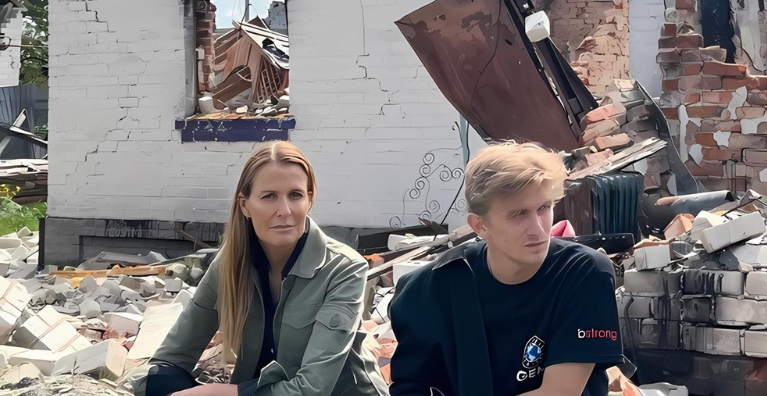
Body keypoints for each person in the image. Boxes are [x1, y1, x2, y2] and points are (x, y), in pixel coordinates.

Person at [134, 141, 388, 396]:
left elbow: (313, 388)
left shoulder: (344, 269)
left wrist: (226, 393)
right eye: (269, 196)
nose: (285, 211)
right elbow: (172, 358)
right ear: (245, 205)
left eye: (295, 195)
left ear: (309, 200)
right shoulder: (229, 264)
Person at [388, 141, 624, 396]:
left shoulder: (583, 272)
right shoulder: (432, 288)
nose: (537, 228)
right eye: (518, 214)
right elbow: (412, 387)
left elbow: (559, 393)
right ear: (479, 226)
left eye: (544, 208)